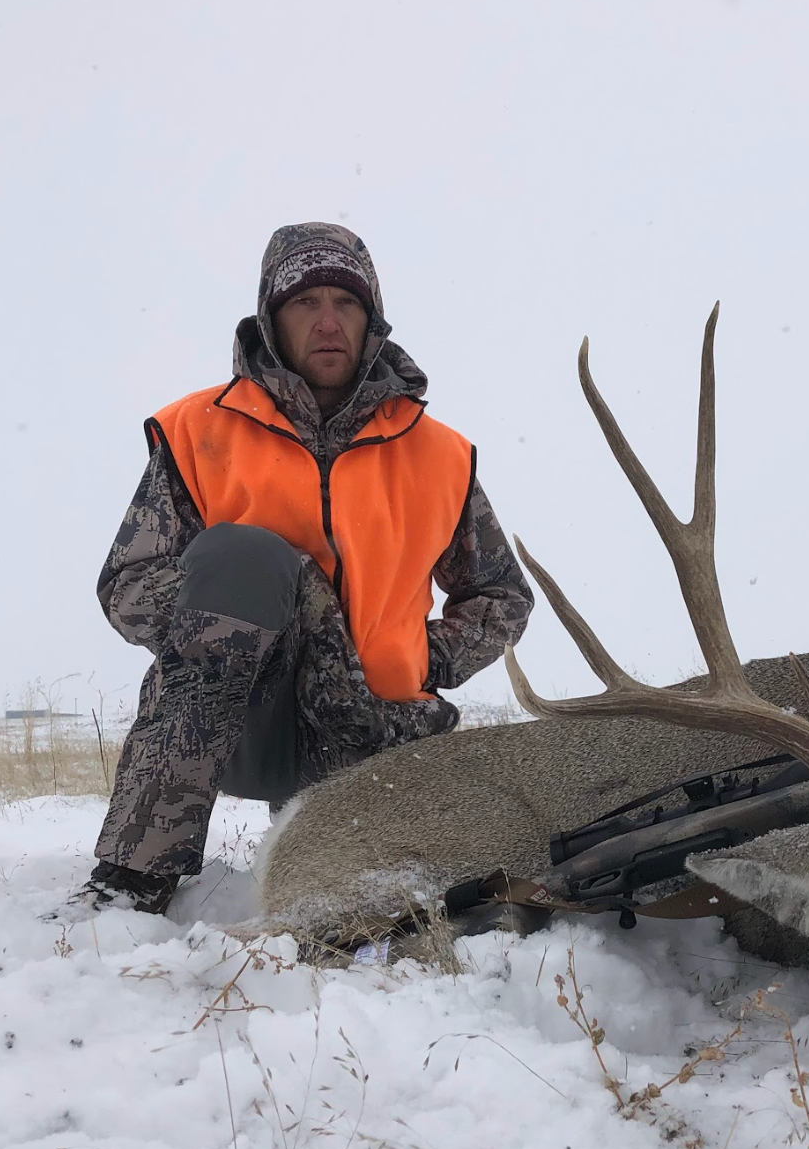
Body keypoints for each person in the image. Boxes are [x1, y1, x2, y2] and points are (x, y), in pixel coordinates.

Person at [84, 222, 533, 913]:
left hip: (377, 726)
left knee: (395, 905)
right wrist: (237, 629)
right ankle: (133, 877)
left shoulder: (438, 454)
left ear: (371, 319)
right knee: (246, 556)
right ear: (271, 316)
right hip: (242, 718)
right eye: (304, 303)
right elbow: (128, 586)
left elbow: (501, 595)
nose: (328, 322)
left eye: (346, 303)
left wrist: (423, 659)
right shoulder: (199, 431)